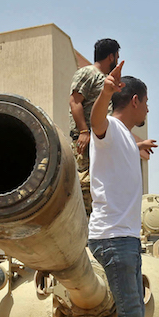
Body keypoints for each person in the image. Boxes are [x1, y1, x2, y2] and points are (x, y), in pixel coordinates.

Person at [87, 60, 159, 317]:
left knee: (129, 316)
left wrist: (140, 145)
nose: (148, 108)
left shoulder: (126, 138)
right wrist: (104, 91)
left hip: (127, 238)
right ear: (134, 101)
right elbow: (96, 123)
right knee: (132, 313)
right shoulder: (111, 130)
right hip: (113, 237)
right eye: (146, 102)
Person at [69, 38, 120, 213]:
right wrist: (83, 131)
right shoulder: (88, 73)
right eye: (117, 56)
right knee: (85, 188)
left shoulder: (105, 80)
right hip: (87, 142)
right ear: (111, 56)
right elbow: (75, 102)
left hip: (100, 143)